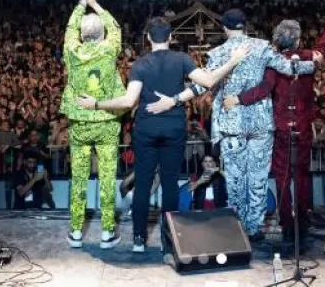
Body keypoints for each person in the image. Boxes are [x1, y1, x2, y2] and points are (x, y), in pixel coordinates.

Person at [78, 16, 250, 252]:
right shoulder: (182, 59)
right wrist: (234, 60)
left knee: (143, 181)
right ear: (170, 37)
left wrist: (96, 104)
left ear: (148, 38)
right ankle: (169, 241)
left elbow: (128, 101)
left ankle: (139, 239)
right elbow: (209, 81)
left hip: (146, 129)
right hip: (173, 128)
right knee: (169, 183)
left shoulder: (140, 63)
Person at [150, 8, 318, 242]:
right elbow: (290, 68)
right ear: (245, 25)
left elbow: (202, 86)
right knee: (258, 178)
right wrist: (313, 63)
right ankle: (255, 227)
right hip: (260, 125)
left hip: (232, 126)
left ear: (225, 28)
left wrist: (175, 99)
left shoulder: (219, 53)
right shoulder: (263, 47)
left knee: (236, 179)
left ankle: (238, 226)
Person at [222, 8, 325, 244]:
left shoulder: (273, 61)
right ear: (297, 38)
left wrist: (238, 99)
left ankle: (287, 227)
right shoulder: (309, 56)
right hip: (304, 128)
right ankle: (302, 228)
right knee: (303, 177)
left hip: (281, 130)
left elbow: (263, 89)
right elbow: (323, 46)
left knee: (283, 179)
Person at [59, 0, 125, 249]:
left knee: (79, 177)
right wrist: (95, 2)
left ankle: (76, 232)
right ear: (102, 34)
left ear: (82, 34)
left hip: (80, 123)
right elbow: (116, 27)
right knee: (107, 177)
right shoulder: (109, 49)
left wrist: (81, 3)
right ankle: (107, 233)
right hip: (107, 120)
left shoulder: (72, 51)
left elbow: (69, 29)